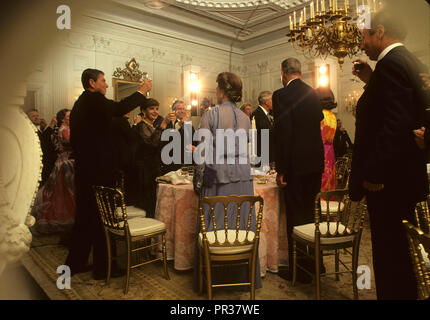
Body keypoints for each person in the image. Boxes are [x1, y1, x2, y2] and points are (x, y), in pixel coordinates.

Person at [349, 8, 429, 299]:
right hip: (404, 180)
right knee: (402, 259)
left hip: (390, 184)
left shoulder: (391, 64)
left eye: (364, 36)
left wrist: (374, 175)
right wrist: (372, 81)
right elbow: (398, 110)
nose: (362, 44)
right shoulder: (405, 60)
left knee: (391, 259)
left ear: (379, 31)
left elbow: (394, 126)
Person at [65, 68, 152, 280]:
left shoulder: (81, 105)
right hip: (98, 171)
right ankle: (103, 269)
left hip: (86, 170)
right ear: (92, 83)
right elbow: (120, 107)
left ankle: (74, 263)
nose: (105, 85)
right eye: (103, 81)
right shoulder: (93, 100)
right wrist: (141, 90)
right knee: (101, 220)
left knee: (85, 218)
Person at [192, 72, 262, 292]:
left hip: (217, 178)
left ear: (221, 90)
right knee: (241, 228)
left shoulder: (210, 115)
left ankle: (212, 281)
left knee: (214, 228)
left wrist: (198, 181)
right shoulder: (244, 117)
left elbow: (202, 154)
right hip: (242, 178)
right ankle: (243, 276)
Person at [272, 58, 325, 283]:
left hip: (294, 164)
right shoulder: (313, 92)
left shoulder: (281, 95)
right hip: (315, 161)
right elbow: (319, 121)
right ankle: (317, 264)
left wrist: (281, 168)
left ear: (283, 73)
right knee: (313, 213)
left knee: (295, 216)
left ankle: (299, 270)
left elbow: (284, 133)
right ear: (300, 72)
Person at [32, 109, 75, 236]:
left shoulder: (65, 128)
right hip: (65, 162)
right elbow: (72, 144)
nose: (71, 117)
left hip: (66, 161)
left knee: (64, 192)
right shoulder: (64, 129)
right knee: (65, 193)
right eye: (69, 116)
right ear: (63, 119)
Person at [134, 98, 176, 217]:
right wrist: (163, 124)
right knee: (149, 204)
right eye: (151, 108)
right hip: (145, 171)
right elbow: (152, 144)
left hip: (154, 168)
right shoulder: (142, 126)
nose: (155, 111)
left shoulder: (152, 126)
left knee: (155, 203)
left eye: (157, 109)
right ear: (143, 111)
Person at [111, 111, 140, 205]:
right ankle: (128, 203)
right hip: (124, 158)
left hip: (116, 157)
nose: (129, 112)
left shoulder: (114, 120)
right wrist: (136, 124)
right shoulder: (121, 121)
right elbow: (131, 136)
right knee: (128, 183)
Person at [161, 100, 197, 174]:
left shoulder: (189, 125)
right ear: (174, 111)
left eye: (184, 109)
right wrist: (180, 125)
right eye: (179, 109)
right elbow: (167, 141)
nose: (182, 111)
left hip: (187, 164)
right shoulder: (167, 123)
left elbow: (194, 142)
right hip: (171, 165)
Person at [27, 109, 58, 186]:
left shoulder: (39, 129)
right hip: (42, 166)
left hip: (49, 164)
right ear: (28, 119)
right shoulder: (30, 130)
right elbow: (43, 141)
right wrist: (51, 126)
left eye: (37, 115)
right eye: (33, 116)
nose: (37, 117)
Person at [315, 87, 338, 192]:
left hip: (319, 151)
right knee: (329, 178)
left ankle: (319, 205)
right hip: (330, 151)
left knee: (321, 180)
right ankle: (329, 201)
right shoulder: (332, 116)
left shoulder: (319, 115)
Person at [250, 91, 275, 164]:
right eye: (272, 100)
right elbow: (265, 134)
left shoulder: (267, 114)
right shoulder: (257, 115)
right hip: (263, 156)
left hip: (269, 155)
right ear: (266, 102)